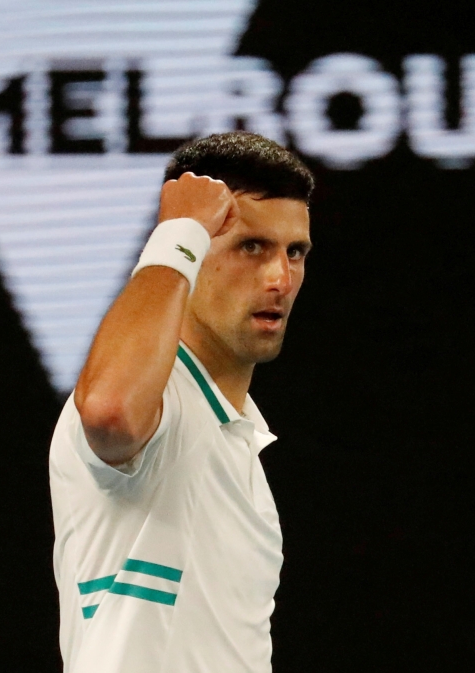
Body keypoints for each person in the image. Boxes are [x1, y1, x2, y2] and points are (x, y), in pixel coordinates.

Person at [48, 131, 315, 673]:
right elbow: (111, 410)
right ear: (191, 252)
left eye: (295, 252)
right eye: (250, 247)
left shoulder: (238, 442)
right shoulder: (160, 404)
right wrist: (179, 231)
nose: (280, 278)